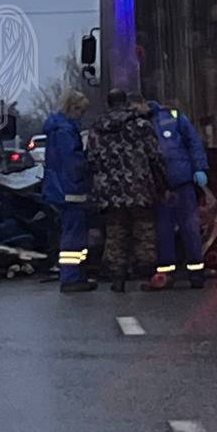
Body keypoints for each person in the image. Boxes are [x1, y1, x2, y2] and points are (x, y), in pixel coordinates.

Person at [86, 88, 167, 293]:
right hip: (139, 186)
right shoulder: (140, 125)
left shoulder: (97, 128)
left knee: (115, 233)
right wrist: (163, 183)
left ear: (109, 103)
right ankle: (147, 273)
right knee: (144, 230)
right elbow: (155, 156)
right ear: (126, 102)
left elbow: (91, 159)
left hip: (110, 190)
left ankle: (117, 278)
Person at [135, 96, 209, 290]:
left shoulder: (171, 116)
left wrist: (199, 168)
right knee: (164, 230)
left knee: (188, 228)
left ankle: (195, 272)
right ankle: (168, 273)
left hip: (179, 181)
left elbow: (193, 141)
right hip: (160, 184)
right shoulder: (141, 122)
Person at [42, 89, 96, 294]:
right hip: (71, 189)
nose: (82, 115)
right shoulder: (65, 131)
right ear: (72, 108)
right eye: (81, 110)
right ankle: (71, 277)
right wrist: (88, 164)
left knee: (75, 233)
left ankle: (77, 275)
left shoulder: (59, 129)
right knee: (73, 235)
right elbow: (73, 162)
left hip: (62, 187)